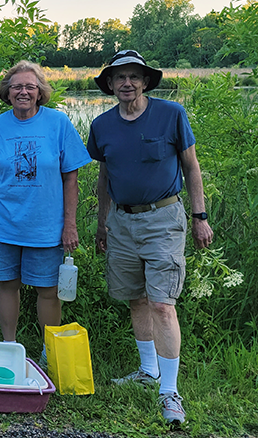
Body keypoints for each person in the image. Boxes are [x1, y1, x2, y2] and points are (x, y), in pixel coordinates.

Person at [87, 50, 213, 425]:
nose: (127, 83)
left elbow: (191, 167)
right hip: (121, 222)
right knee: (136, 297)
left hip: (164, 218)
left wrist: (200, 216)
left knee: (162, 304)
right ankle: (148, 371)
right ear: (109, 85)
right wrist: (102, 223)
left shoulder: (171, 115)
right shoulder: (102, 125)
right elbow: (105, 177)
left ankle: (170, 391)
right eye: (119, 78)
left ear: (145, 82)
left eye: (134, 77)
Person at [0, 60, 91, 364]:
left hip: (46, 225)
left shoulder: (58, 123)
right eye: (17, 86)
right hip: (3, 223)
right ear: (7, 92)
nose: (23, 91)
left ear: (40, 92)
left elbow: (71, 177)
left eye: (30, 86)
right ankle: (10, 346)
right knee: (7, 284)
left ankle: (48, 352)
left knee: (48, 290)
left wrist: (70, 224)